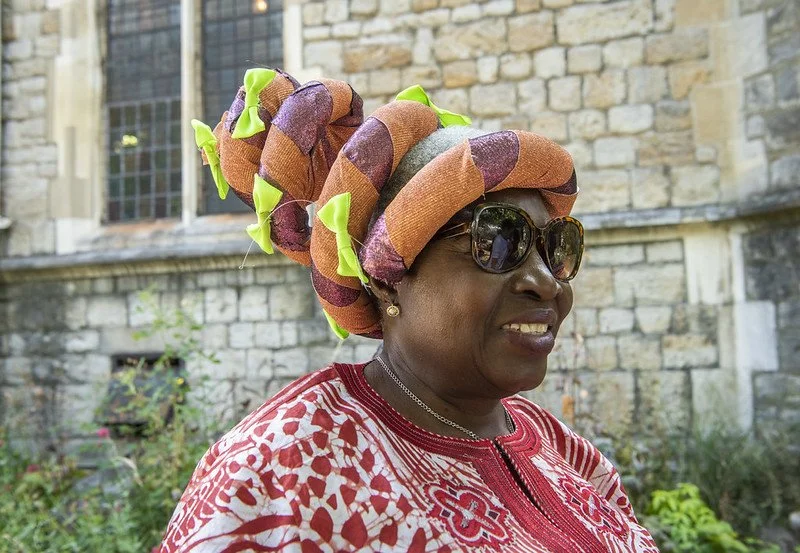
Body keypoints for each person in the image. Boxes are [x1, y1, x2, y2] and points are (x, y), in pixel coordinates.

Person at [161, 69, 658, 552]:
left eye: (557, 246)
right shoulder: (285, 465)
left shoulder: (564, 451)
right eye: (499, 241)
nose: (546, 282)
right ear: (386, 280)